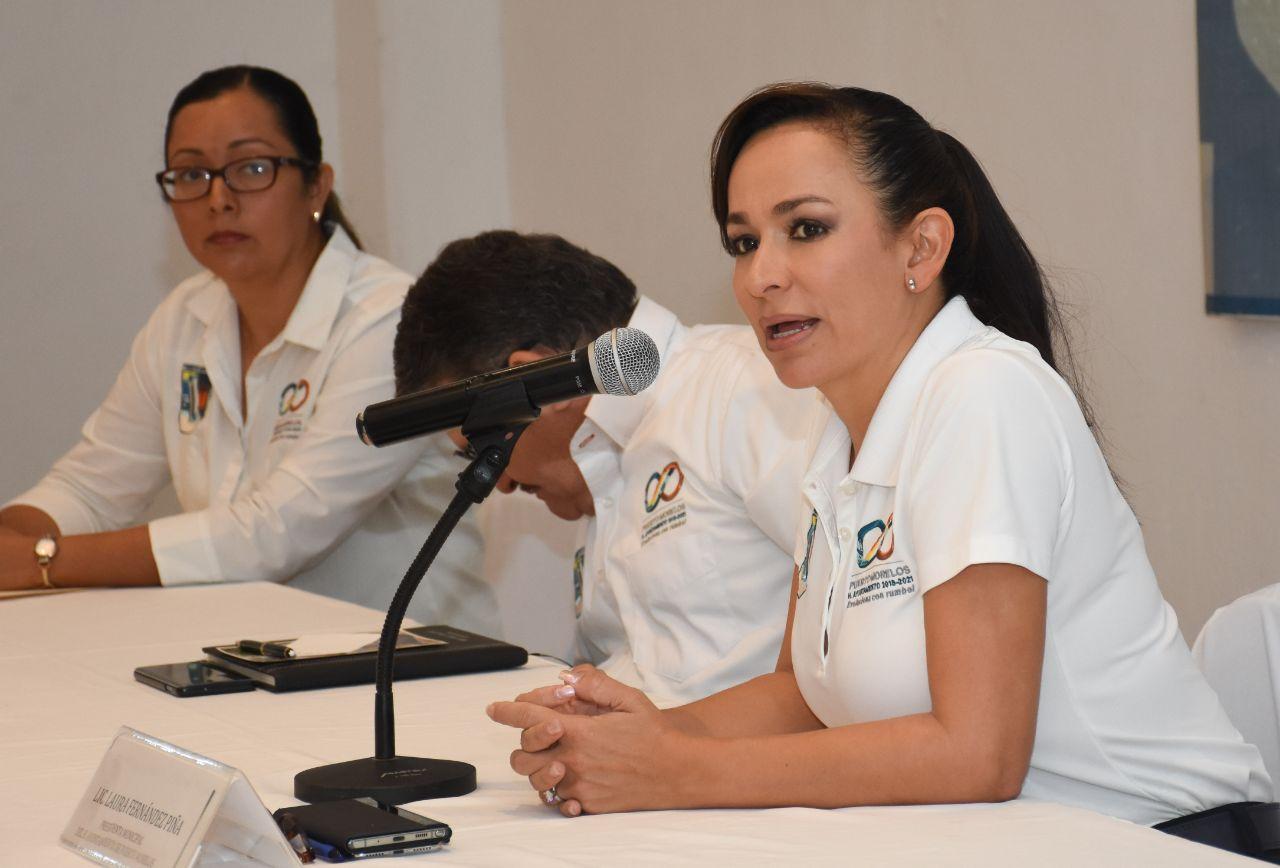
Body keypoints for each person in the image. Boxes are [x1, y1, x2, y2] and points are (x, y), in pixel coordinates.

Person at [487, 83, 1273, 831]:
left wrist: (678, 772)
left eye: (806, 229)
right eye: (744, 242)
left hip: (1164, 838)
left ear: (922, 248)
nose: (761, 276)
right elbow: (804, 697)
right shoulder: (831, 429)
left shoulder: (983, 392)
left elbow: (978, 754)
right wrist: (638, 737)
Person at [0, 65, 490, 632]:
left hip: (410, 663)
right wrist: (14, 538)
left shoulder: (390, 319)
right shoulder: (183, 318)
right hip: (245, 657)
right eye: (191, 174)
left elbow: (276, 533)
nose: (218, 199)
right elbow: (89, 488)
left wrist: (43, 562)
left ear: (316, 185)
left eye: (251, 168)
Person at [393, 230, 816, 704]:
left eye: (481, 448)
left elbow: (839, 682)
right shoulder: (596, 456)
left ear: (530, 379)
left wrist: (657, 739)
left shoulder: (753, 390)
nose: (501, 482)